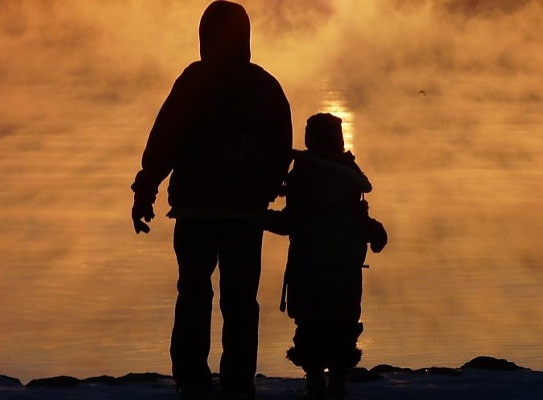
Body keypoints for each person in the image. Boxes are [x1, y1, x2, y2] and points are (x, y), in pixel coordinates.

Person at [130, 2, 292, 399]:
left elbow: (165, 138)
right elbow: (281, 148)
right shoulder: (265, 86)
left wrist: (146, 188)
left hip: (196, 211)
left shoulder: (194, 80)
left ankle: (192, 377)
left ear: (205, 37)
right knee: (240, 299)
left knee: (194, 292)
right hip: (243, 215)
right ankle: (237, 380)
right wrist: (266, 190)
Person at [265, 113, 387, 400]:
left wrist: (259, 218)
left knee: (310, 327)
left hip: (306, 274)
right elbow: (367, 227)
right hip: (345, 276)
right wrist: (376, 235)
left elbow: (289, 222)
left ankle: (316, 382)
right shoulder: (350, 175)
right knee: (343, 328)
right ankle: (338, 381)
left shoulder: (301, 175)